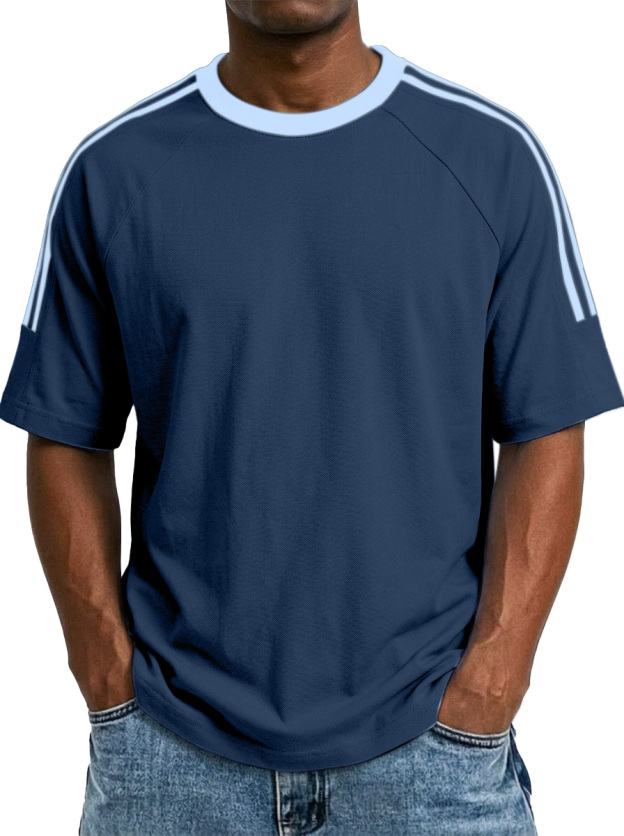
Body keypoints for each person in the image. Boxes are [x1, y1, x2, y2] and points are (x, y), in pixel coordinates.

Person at [1, 1, 622, 834]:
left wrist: (494, 680)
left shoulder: (492, 158)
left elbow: (547, 421)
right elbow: (64, 430)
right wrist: (105, 673)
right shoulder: (113, 171)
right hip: (172, 758)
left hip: (431, 763)